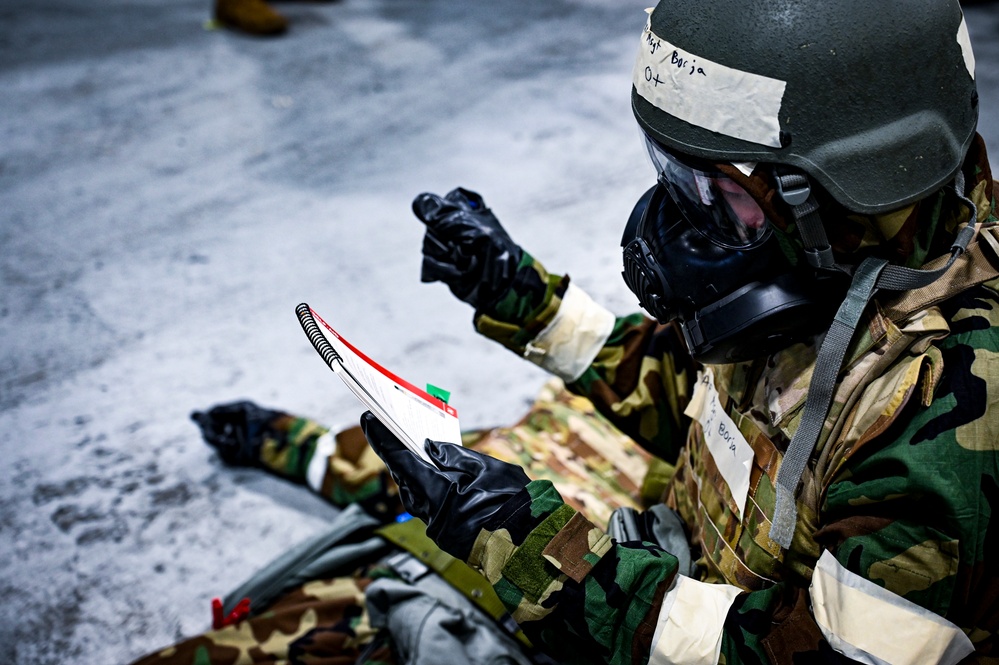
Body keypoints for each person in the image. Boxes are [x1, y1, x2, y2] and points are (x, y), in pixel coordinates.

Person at [359, 0, 999, 663]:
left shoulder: (948, 421)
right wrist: (521, 299)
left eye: (718, 191)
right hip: (693, 556)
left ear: (842, 186)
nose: (677, 222)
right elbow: (709, 408)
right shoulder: (841, 269)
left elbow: (799, 654)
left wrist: (539, 552)